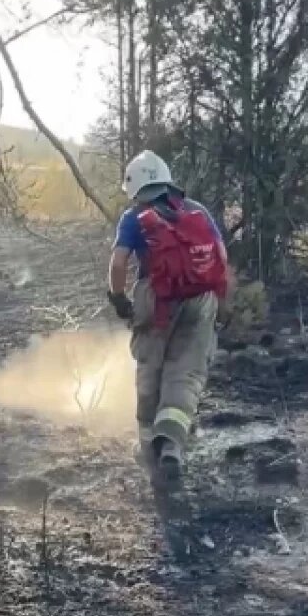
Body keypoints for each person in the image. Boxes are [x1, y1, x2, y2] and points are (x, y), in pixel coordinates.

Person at [106, 150, 233, 484]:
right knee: (186, 373)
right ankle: (172, 446)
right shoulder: (198, 211)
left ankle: (148, 445)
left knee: (151, 367)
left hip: (157, 298)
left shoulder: (135, 216)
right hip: (201, 299)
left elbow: (119, 263)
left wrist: (119, 299)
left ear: (135, 187)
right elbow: (221, 257)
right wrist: (223, 304)